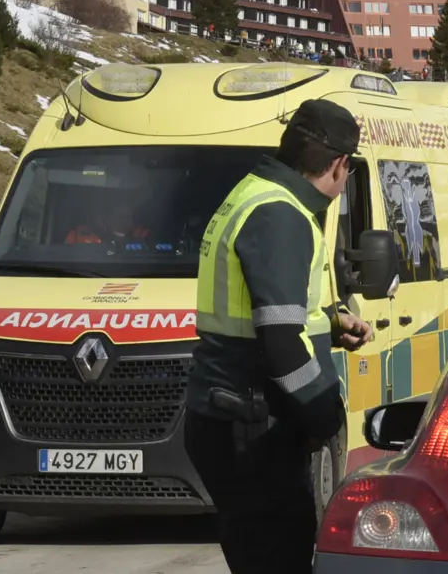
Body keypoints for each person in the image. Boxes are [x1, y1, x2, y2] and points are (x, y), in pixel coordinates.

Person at [184, 98, 375, 574]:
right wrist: (323, 413)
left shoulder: (254, 192)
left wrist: (331, 324)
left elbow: (267, 313)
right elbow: (281, 344)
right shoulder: (280, 214)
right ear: (339, 164)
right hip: (253, 427)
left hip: (232, 418)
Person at [65, 196, 151, 245]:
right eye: (118, 216)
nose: (123, 220)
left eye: (127, 217)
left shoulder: (144, 236)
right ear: (104, 218)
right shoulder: (77, 235)